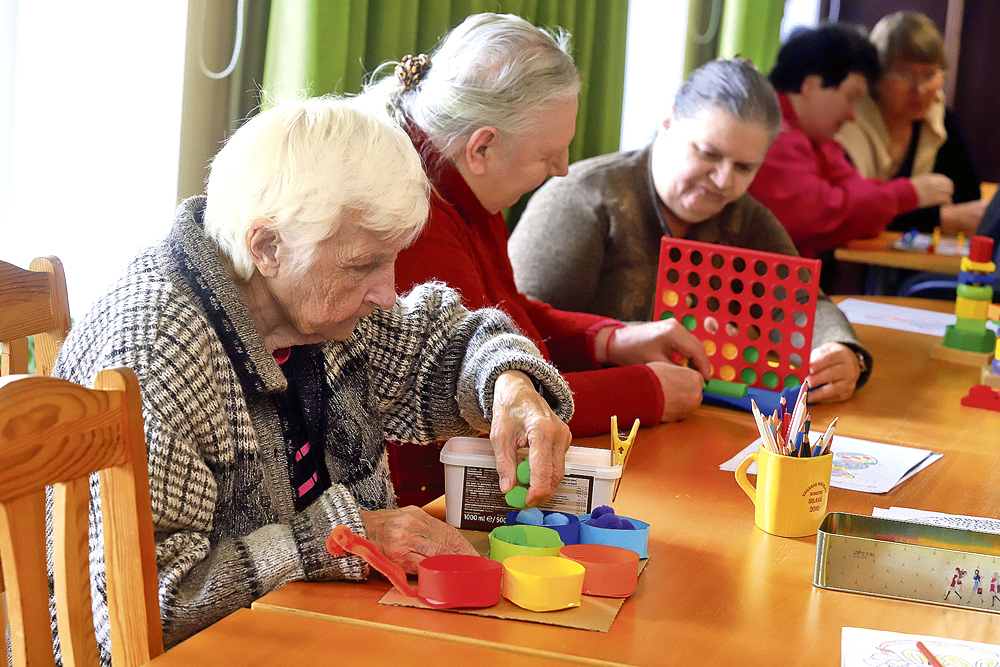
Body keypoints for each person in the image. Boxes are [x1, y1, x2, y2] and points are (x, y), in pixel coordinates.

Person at [52, 97, 573, 657]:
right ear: (267, 247)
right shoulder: (157, 353)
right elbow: (147, 605)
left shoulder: (307, 305)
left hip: (308, 631)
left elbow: (441, 344)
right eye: (364, 264)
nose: (386, 293)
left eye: (392, 259)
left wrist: (508, 382)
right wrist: (346, 537)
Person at [360, 13, 713, 505]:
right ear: (483, 147)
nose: (563, 169)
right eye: (546, 155)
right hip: (421, 500)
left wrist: (609, 341)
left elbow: (504, 315)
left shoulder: (461, 182)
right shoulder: (413, 219)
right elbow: (478, 401)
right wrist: (643, 391)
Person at [509, 59, 872, 406]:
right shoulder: (584, 200)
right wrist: (622, 340)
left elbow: (802, 304)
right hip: (586, 418)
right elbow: (516, 329)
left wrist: (841, 352)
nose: (724, 181)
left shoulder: (744, 216)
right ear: (667, 124)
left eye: (744, 168)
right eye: (709, 154)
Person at [747, 24, 954, 259]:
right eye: (851, 97)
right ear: (810, 86)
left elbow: (857, 205)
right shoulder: (768, 130)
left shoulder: (817, 137)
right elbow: (817, 215)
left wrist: (894, 199)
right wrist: (907, 194)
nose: (853, 115)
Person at [836, 11, 984, 235]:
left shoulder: (941, 120)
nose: (920, 89)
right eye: (905, 75)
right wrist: (940, 218)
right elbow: (850, 209)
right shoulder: (847, 120)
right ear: (876, 76)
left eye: (929, 75)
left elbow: (969, 205)